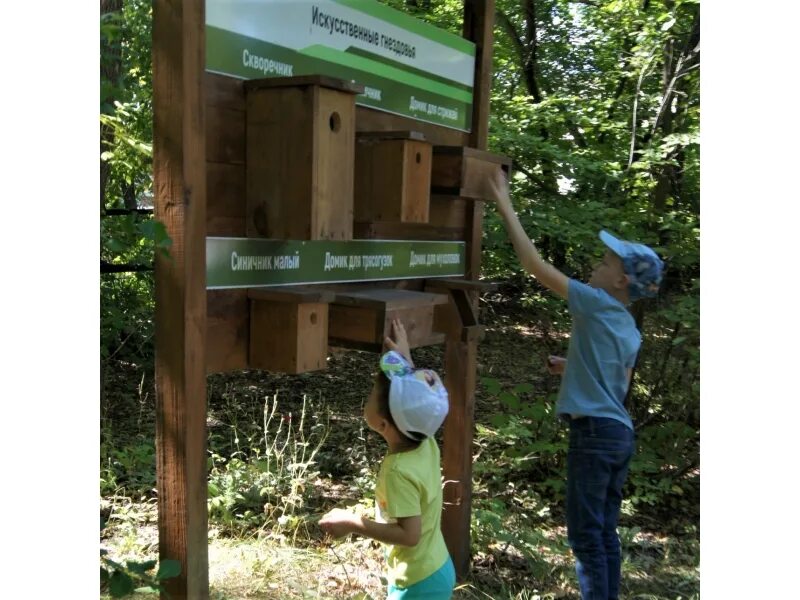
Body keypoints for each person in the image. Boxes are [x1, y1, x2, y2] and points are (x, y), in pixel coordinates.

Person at [486, 169, 664, 600]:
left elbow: (533, 265)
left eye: (606, 263)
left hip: (594, 434)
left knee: (586, 540)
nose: (596, 266)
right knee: (604, 535)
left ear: (621, 281)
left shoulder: (596, 302)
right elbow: (615, 385)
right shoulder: (628, 327)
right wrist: (572, 366)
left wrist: (503, 202)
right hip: (618, 435)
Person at [319, 319, 456, 599]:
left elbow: (409, 535)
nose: (367, 397)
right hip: (436, 567)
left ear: (383, 424)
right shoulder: (425, 439)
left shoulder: (398, 472)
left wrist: (353, 522)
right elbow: (418, 402)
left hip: (418, 584)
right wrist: (404, 358)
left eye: (372, 393)